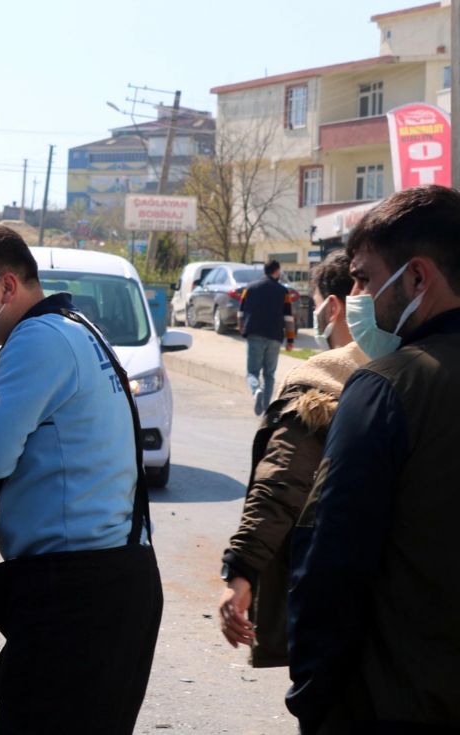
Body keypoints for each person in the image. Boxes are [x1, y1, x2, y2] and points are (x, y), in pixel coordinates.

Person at [0, 224, 161, 735]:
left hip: (79, 596)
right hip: (104, 584)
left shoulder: (38, 339)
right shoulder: (73, 327)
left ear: (7, 287)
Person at [286, 185, 460, 733]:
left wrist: (311, 695)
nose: (354, 294)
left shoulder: (385, 387)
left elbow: (330, 557)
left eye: (363, 278)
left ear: (415, 278)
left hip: (393, 701)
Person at [217, 250, 366, 666]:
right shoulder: (420, 362)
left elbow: (283, 479)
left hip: (337, 607)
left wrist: (241, 570)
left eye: (317, 303)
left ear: (333, 306)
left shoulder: (321, 380)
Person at [239, 259, 298, 415]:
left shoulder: (250, 288)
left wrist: (242, 329)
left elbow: (240, 312)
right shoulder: (283, 291)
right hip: (274, 336)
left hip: (254, 334)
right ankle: (266, 409)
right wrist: (290, 339)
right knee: (269, 374)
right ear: (276, 272)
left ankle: (256, 390)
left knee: (252, 372)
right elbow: (288, 318)